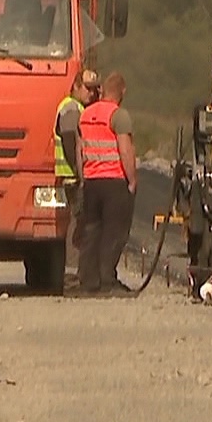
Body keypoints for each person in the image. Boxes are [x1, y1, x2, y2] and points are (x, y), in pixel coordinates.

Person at [76, 72, 138, 294]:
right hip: (114, 181)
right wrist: (132, 180)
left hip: (92, 181)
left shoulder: (86, 114)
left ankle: (88, 280)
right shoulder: (119, 116)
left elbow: (80, 150)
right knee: (114, 231)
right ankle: (107, 280)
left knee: (91, 230)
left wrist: (84, 177)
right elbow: (125, 150)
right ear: (122, 91)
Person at [53, 68, 100, 282]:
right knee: (79, 224)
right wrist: (82, 175)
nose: (92, 94)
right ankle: (73, 273)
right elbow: (71, 145)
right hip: (73, 177)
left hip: (72, 176)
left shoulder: (77, 107)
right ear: (76, 86)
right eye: (88, 89)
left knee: (80, 223)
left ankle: (77, 272)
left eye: (94, 90)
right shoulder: (71, 109)